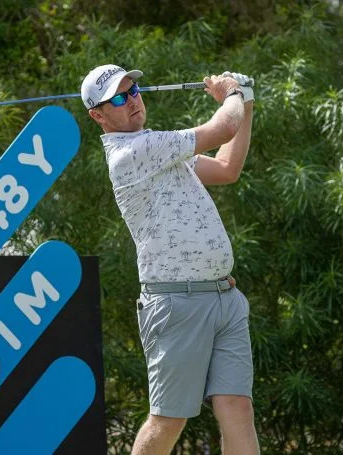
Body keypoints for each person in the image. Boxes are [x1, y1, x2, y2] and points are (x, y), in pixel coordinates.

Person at [82, 64, 259, 455]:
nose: (131, 100)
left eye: (133, 90)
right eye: (117, 98)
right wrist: (231, 92)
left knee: (238, 408)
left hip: (223, 299)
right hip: (176, 303)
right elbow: (221, 129)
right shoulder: (132, 153)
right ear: (98, 115)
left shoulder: (159, 150)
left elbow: (228, 168)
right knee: (168, 420)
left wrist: (245, 103)